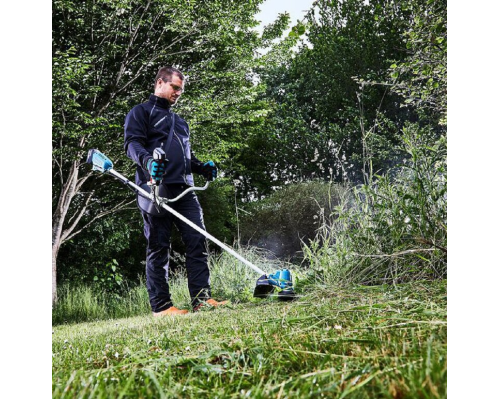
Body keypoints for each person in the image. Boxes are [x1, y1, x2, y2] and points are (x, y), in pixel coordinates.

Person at [124, 66, 227, 316]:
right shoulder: (141, 112)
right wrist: (149, 162)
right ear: (160, 83)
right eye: (175, 88)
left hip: (185, 191)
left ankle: (202, 299)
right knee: (159, 246)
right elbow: (132, 145)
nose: (178, 93)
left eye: (181, 90)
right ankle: (161, 307)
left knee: (197, 240)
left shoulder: (180, 123)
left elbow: (185, 158)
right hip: (156, 189)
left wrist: (202, 167)